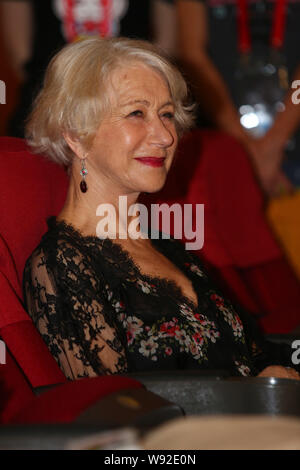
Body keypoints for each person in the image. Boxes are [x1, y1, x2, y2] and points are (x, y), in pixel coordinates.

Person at [23, 37, 299, 381]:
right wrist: (255, 400)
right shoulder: (62, 265)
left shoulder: (170, 247)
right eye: (136, 113)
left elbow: (250, 354)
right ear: (76, 135)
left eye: (166, 114)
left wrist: (278, 374)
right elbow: (114, 410)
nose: (166, 136)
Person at [155, 0, 300, 198]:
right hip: (221, 140)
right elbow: (192, 54)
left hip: (290, 145)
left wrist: (273, 144)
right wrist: (246, 149)